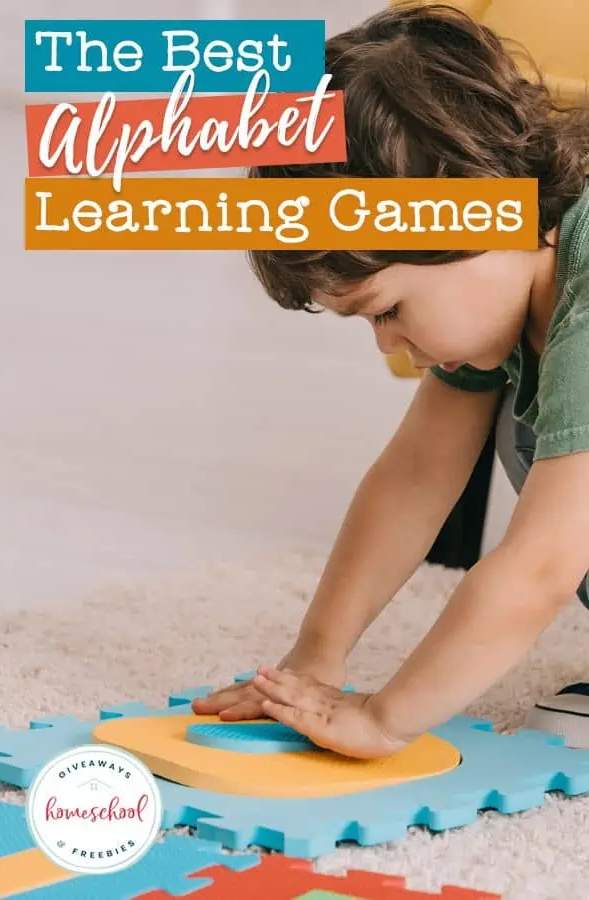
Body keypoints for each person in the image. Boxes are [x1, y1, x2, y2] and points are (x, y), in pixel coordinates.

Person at [193, 2, 589, 758]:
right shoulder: (507, 295)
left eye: (390, 309)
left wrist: (385, 718)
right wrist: (313, 659)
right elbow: (413, 477)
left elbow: (541, 565)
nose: (391, 343)